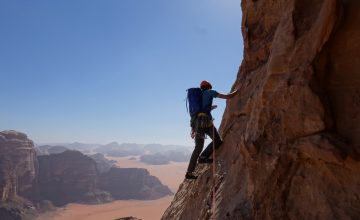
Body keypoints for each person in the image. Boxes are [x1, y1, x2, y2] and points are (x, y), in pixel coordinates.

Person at [186, 80, 238, 179]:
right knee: (217, 140)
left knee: (197, 148)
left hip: (197, 124)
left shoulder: (199, 97)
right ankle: (203, 157)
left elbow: (199, 111)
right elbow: (228, 96)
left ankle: (189, 172)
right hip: (206, 122)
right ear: (209, 86)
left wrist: (210, 108)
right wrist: (238, 90)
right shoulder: (210, 92)